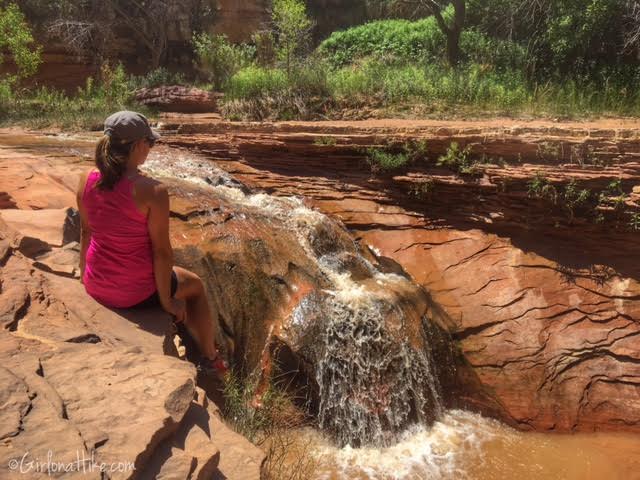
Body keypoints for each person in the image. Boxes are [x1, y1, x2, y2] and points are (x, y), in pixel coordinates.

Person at [76, 110, 227, 376]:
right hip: (132, 295)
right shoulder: (152, 191)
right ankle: (209, 358)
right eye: (150, 142)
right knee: (194, 285)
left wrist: (83, 275)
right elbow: (161, 253)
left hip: (95, 284)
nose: (151, 148)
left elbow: (86, 232)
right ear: (137, 146)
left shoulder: (87, 179)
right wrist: (168, 302)